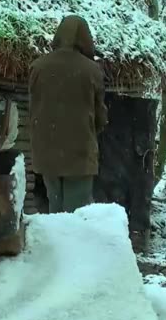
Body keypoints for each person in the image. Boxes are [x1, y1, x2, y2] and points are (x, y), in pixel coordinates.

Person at [29, 15, 108, 213]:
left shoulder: (38, 67)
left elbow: (34, 108)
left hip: (47, 153)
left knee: (55, 210)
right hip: (79, 155)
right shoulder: (92, 71)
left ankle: (56, 244)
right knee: (77, 214)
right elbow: (100, 115)